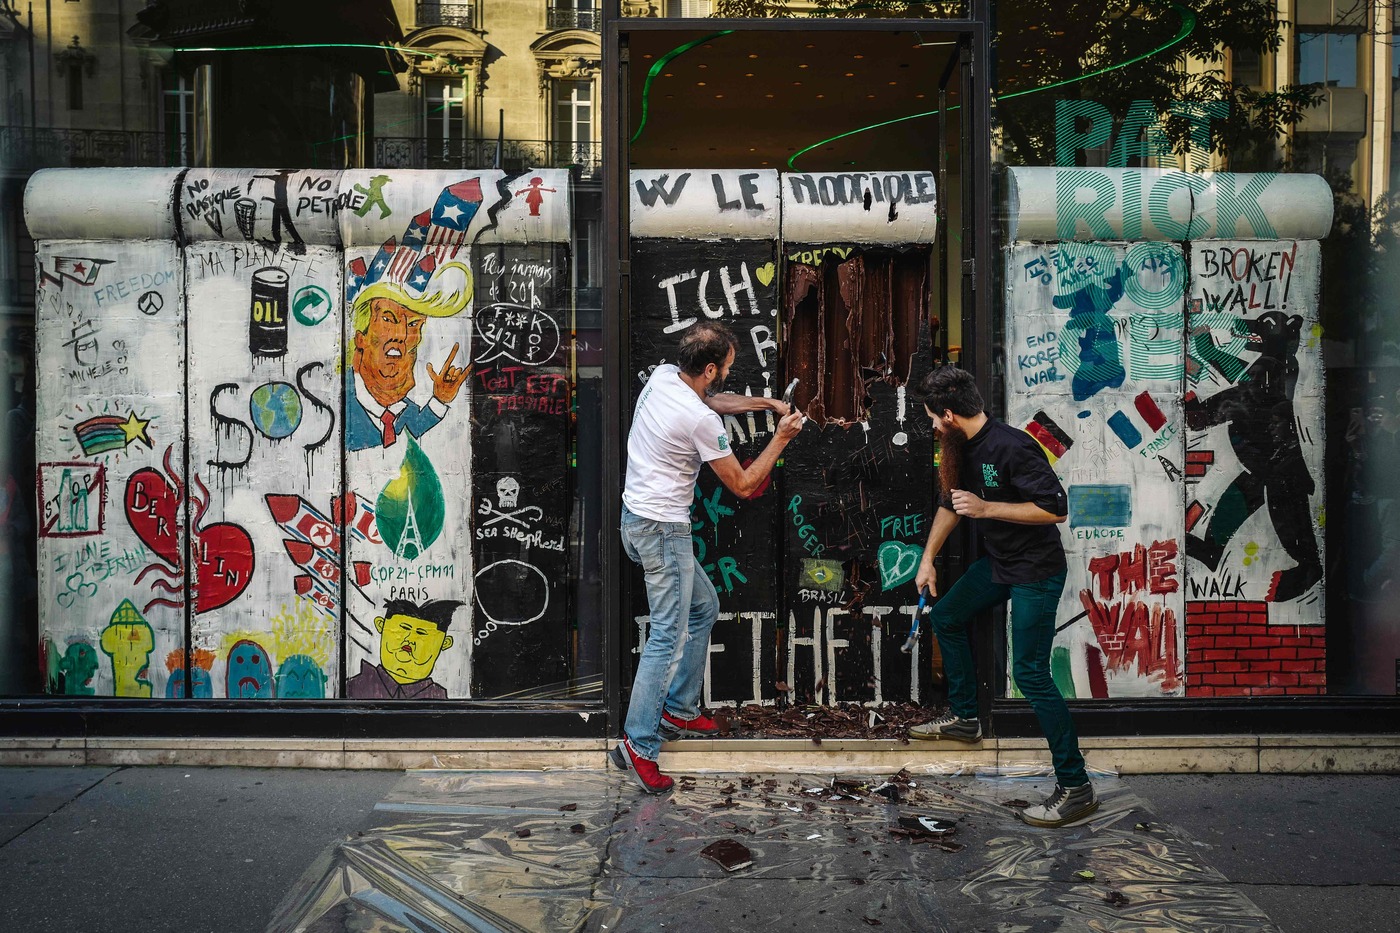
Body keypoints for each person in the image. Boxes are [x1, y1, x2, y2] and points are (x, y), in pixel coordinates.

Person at [611, 320, 804, 794]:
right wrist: (780, 436)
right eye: (727, 369)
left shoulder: (663, 377)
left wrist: (765, 403)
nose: (726, 378)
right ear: (711, 368)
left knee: (703, 607)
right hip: (662, 531)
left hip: (635, 522)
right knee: (665, 638)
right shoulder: (700, 422)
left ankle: (677, 711)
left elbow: (712, 401)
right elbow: (742, 484)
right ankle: (637, 746)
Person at [907, 366, 1097, 827]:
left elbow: (1056, 508)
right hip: (999, 564)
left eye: (934, 418)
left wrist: (989, 507)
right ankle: (967, 718)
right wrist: (927, 559)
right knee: (948, 616)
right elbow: (953, 503)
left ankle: (1076, 787)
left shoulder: (1011, 445)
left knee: (1030, 674)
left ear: (950, 414)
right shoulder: (959, 447)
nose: (932, 426)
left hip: (1036, 572)